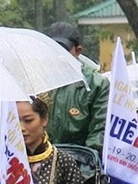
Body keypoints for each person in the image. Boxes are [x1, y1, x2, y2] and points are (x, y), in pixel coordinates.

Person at [43, 21, 109, 152]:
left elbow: (99, 132)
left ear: (78, 51)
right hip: (42, 158)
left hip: (80, 158)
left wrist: (86, 161)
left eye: (63, 50)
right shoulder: (37, 81)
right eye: (52, 49)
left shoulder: (96, 85)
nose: (58, 55)